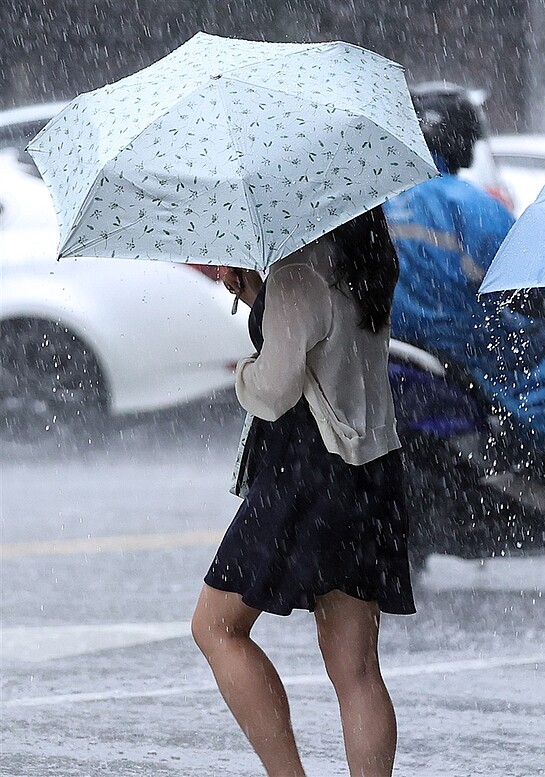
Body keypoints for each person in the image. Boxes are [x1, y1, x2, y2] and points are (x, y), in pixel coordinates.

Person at [191, 206, 413, 777]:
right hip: (370, 470)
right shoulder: (370, 259)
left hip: (307, 473)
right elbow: (327, 345)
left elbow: (274, 389)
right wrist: (258, 293)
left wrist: (245, 368)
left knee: (216, 628)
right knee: (356, 670)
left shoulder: (297, 271)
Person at [383, 82, 545, 465]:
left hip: (392, 338)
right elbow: (524, 277)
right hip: (463, 338)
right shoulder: (469, 203)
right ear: (461, 137)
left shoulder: (376, 199)